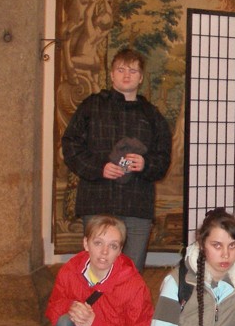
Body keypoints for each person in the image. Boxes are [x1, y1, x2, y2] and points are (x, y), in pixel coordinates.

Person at [61, 47, 171, 271]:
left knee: (131, 272)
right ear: (112, 75)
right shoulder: (91, 106)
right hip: (97, 201)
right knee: (97, 270)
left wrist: (145, 164)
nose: (126, 75)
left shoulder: (152, 115)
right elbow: (70, 146)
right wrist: (99, 168)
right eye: (121, 70)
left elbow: (163, 158)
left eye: (133, 71)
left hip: (137, 204)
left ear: (141, 77)